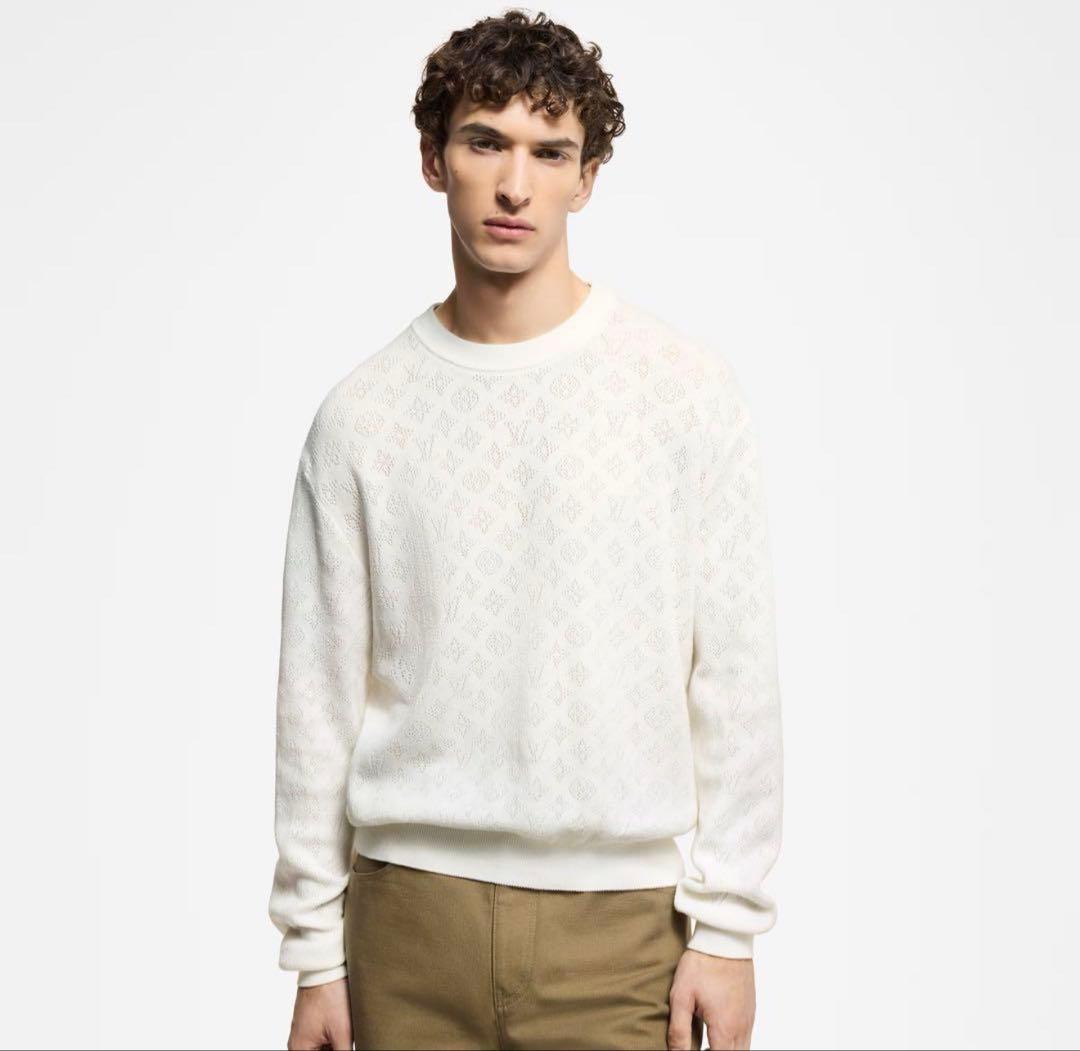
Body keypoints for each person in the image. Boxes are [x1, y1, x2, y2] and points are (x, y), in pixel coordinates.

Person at [267, 9, 784, 1050]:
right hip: (406, 929)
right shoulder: (363, 416)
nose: (515, 185)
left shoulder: (681, 390)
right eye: (484, 142)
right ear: (434, 160)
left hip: (619, 936)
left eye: (550, 152)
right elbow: (316, 700)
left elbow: (734, 674)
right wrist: (316, 952)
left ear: (587, 177)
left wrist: (728, 930)